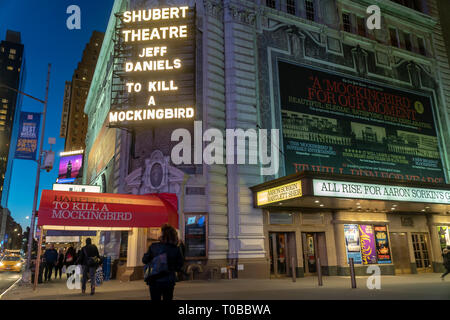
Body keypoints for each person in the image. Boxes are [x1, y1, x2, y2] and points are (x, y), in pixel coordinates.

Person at [142, 224, 184, 301]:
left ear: (162, 235)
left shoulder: (153, 246)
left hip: (154, 279)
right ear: (174, 236)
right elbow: (179, 265)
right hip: (169, 280)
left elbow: (144, 260)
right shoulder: (175, 249)